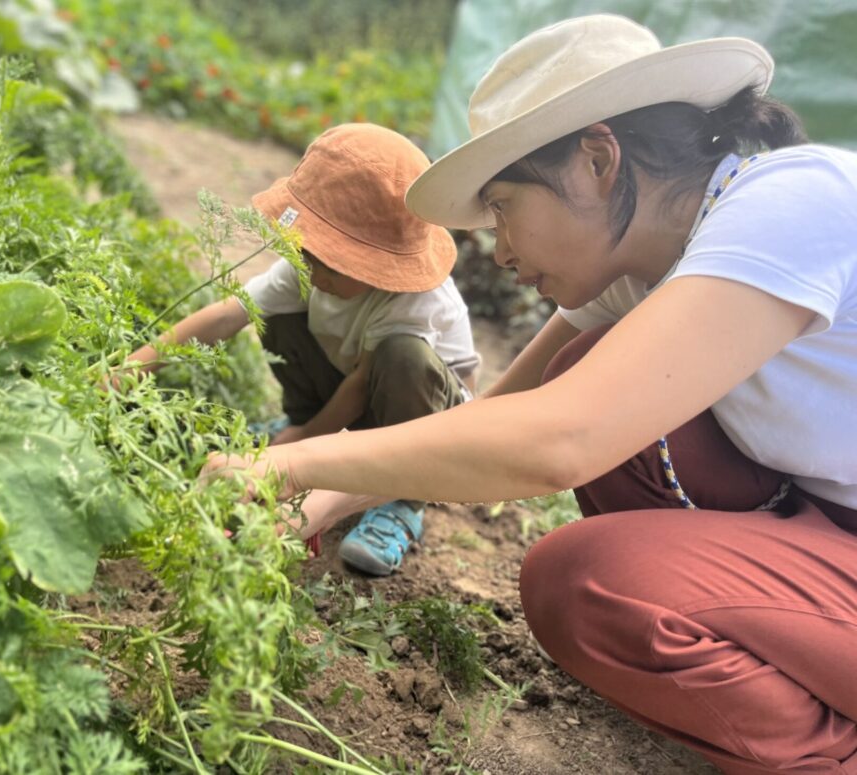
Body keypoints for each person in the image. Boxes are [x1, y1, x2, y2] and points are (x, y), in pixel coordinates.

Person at [204, 14, 857, 774]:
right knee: (589, 365)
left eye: (506, 207)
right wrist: (320, 502)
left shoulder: (796, 203)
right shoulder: (652, 268)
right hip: (818, 524)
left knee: (585, 582)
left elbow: (557, 440)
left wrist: (292, 463)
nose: (500, 249)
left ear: (596, 159)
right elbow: (494, 419)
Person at [114, 122, 480, 576]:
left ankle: (403, 502)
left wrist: (297, 451)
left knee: (403, 356)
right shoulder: (310, 272)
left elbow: (365, 385)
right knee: (274, 310)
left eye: (331, 264)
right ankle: (302, 422)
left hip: (421, 420)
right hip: (351, 384)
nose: (314, 273)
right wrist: (135, 365)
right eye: (307, 256)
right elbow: (230, 313)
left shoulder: (413, 299)